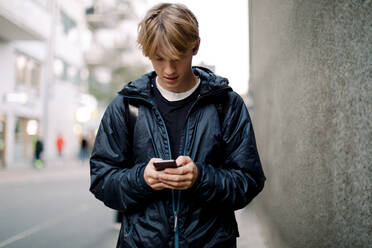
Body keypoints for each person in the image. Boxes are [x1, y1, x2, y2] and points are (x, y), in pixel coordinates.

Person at [89, 3, 266, 248]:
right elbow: (101, 180)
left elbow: (249, 180)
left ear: (196, 46)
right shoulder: (126, 106)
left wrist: (200, 177)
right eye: (159, 59)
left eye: (177, 57)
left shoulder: (226, 104)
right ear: (147, 52)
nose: (169, 69)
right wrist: (142, 178)